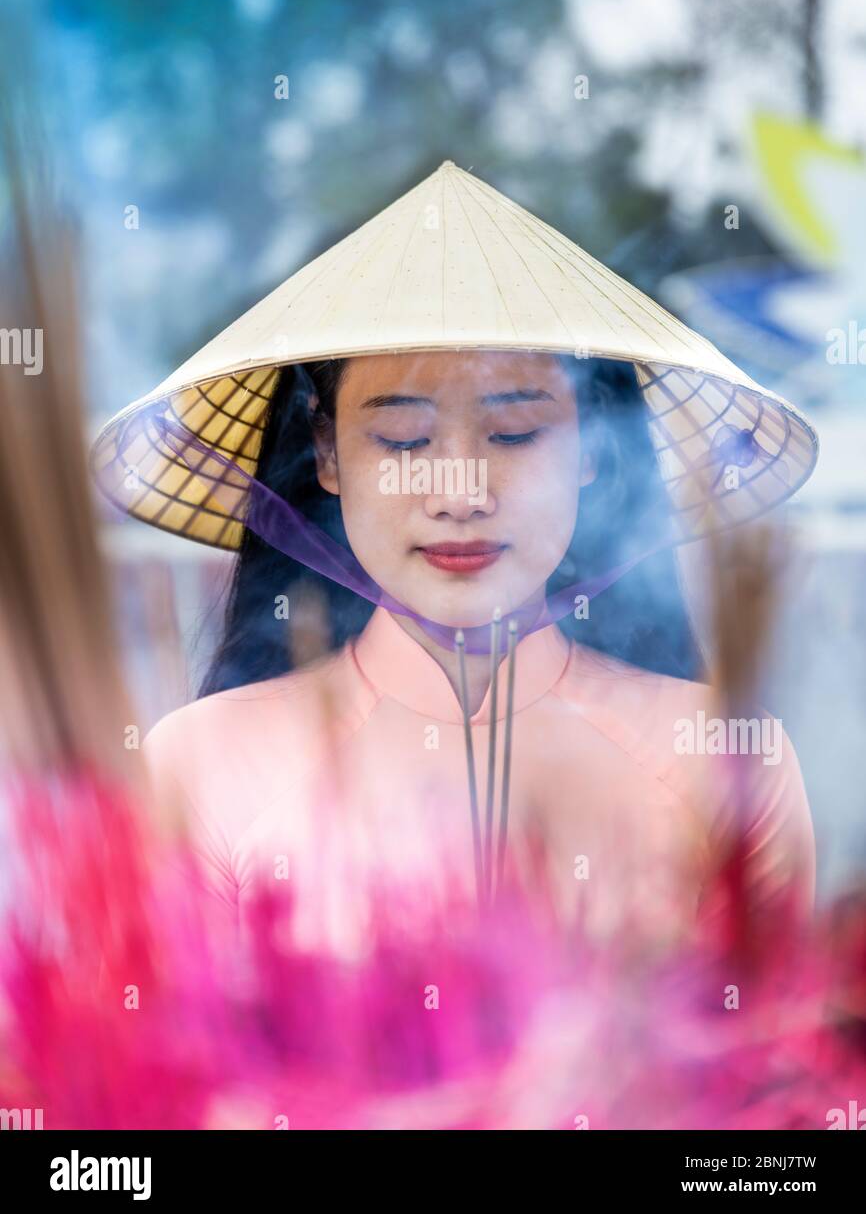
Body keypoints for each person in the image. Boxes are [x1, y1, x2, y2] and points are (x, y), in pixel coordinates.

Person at [93, 161, 819, 959]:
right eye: (403, 440)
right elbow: (177, 1076)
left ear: (590, 449)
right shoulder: (198, 763)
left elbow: (778, 1064)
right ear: (327, 451)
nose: (460, 493)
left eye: (514, 434)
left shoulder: (724, 755)